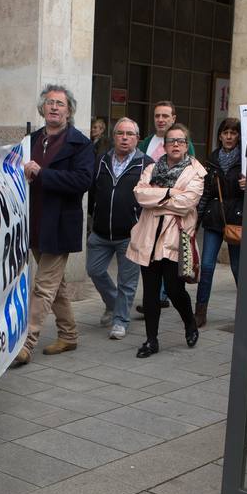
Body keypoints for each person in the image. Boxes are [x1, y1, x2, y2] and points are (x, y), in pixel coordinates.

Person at [13, 84, 94, 365]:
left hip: (60, 225)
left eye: (60, 103)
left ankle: (26, 343)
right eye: (50, 103)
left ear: (69, 110)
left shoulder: (80, 143)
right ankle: (69, 335)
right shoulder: (30, 140)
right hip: (34, 223)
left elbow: (83, 182)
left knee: (43, 287)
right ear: (42, 108)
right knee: (55, 286)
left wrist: (43, 174)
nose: (55, 107)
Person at [127, 123, 203, 357]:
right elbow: (140, 194)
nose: (176, 145)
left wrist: (156, 196)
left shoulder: (196, 171)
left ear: (186, 144)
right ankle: (151, 340)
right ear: (165, 145)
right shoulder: (152, 168)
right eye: (172, 141)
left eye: (181, 141)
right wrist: (170, 193)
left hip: (174, 237)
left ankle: (189, 322)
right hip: (149, 236)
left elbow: (187, 203)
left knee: (173, 289)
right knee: (150, 292)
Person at [87, 117, 149, 341]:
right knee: (94, 270)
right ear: (113, 137)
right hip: (101, 232)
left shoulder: (146, 164)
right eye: (120, 133)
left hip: (130, 234)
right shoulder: (102, 160)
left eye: (129, 134)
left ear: (137, 139)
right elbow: (93, 191)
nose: (124, 138)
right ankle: (113, 304)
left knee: (127, 282)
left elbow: (151, 198)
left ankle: (120, 321)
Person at [195, 116, 247, 327]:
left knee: (239, 268)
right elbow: (205, 193)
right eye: (225, 133)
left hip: (237, 219)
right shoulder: (211, 159)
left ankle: (246, 310)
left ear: (239, 136)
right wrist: (195, 221)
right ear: (219, 136)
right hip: (214, 219)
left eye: (234, 133)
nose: (229, 137)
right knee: (207, 266)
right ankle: (200, 311)